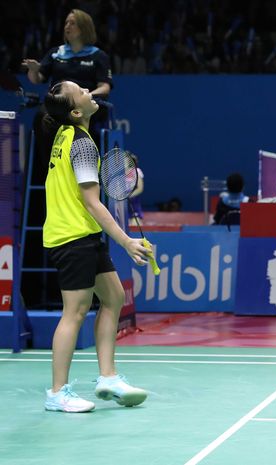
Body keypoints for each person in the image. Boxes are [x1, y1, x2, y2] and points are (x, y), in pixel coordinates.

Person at [42, 80, 149, 413]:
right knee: (73, 313)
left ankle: (108, 377)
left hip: (81, 234)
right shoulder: (82, 143)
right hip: (72, 236)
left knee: (114, 296)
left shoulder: (64, 135)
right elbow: (92, 202)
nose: (90, 93)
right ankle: (57, 392)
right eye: (82, 92)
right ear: (76, 111)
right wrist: (126, 240)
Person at [23, 8, 113, 184]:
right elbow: (38, 78)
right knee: (42, 116)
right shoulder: (56, 53)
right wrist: (34, 70)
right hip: (59, 105)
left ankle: (82, 170)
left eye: (72, 23)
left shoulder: (98, 56)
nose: (67, 26)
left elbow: (105, 87)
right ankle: (54, 167)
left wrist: (83, 96)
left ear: (84, 28)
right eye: (66, 23)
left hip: (86, 105)